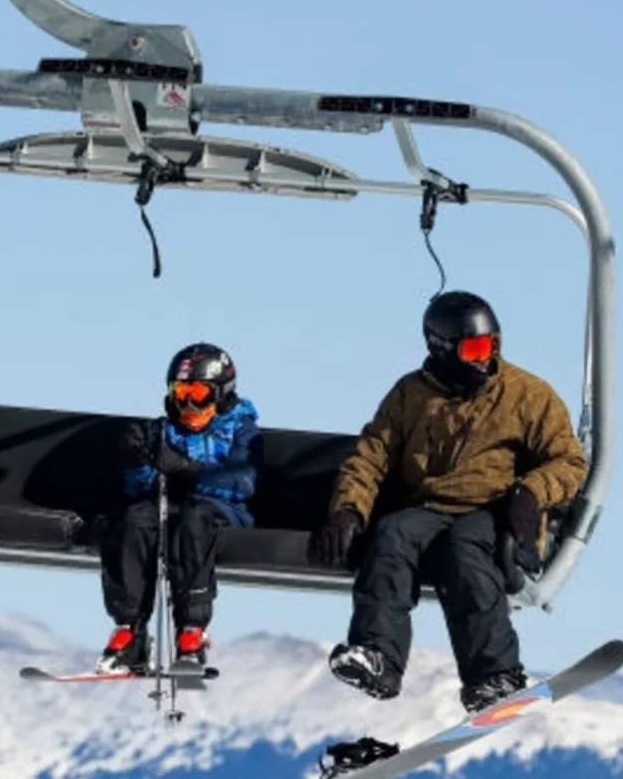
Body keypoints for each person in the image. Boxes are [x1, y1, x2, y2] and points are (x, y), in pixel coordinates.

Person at [312, 290, 588, 713]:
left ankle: (494, 675)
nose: (485, 359)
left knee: (464, 553)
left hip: (492, 507)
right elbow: (370, 457)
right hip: (426, 507)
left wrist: (531, 493)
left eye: (491, 346)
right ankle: (379, 655)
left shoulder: (527, 395)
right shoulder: (411, 395)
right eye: (474, 349)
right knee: (391, 535)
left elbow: (568, 461)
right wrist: (348, 511)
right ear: (441, 348)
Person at [96, 343, 261, 674]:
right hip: (167, 509)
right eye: (181, 393)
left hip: (221, 512)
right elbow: (138, 488)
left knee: (193, 521)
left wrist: (187, 469)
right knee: (133, 519)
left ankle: (191, 630)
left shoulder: (241, 431)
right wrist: (137, 461)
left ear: (221, 393)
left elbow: (241, 482)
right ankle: (131, 630)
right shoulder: (162, 431)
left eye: (198, 394)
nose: (188, 404)